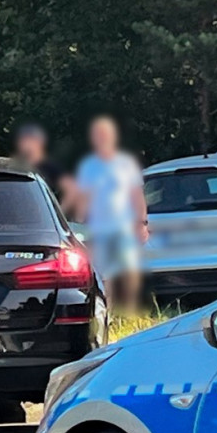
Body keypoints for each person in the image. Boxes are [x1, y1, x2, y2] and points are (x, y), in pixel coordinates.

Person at [75, 115, 148, 309]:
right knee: (102, 273)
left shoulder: (126, 164)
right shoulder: (89, 166)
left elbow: (137, 195)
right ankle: (108, 312)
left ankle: (129, 310)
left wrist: (142, 223)